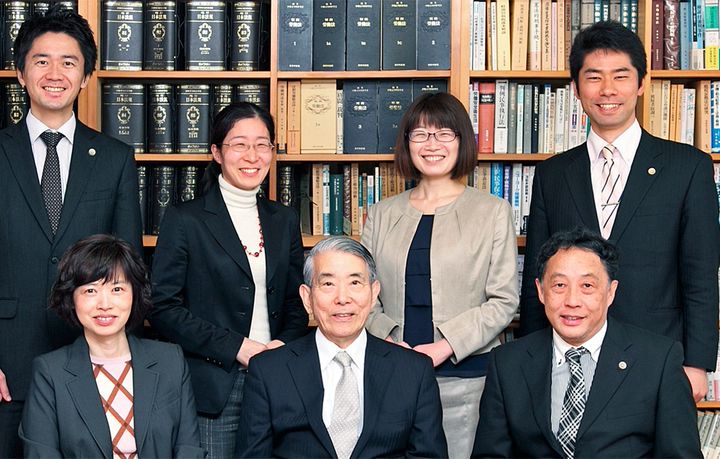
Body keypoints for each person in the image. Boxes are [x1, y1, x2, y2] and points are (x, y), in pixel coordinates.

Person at [518, 20, 720, 401]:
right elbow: (537, 278)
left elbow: (701, 275)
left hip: (659, 357)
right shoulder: (552, 174)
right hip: (569, 359)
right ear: (576, 88)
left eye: (621, 76)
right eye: (594, 77)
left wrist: (697, 364)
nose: (607, 89)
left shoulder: (688, 168)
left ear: (641, 83)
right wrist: (529, 361)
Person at [0, 6, 142, 456]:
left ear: (85, 77)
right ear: (21, 73)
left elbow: (128, 266)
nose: (55, 73)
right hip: (7, 364)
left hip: (92, 360)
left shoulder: (115, 158)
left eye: (69, 62)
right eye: (41, 61)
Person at [360, 92, 519, 458]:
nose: (432, 145)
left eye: (444, 133)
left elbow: (504, 300)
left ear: (462, 141)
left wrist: (445, 346)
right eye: (420, 134)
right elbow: (362, 295)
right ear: (407, 144)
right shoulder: (381, 214)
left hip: (467, 377)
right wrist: (391, 341)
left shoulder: (492, 212)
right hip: (390, 371)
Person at [148, 101, 309, 458]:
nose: (252, 156)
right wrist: (239, 347)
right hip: (216, 384)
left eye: (262, 145)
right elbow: (162, 308)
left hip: (280, 376)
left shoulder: (284, 219)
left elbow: (296, 301)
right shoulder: (185, 219)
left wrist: (282, 345)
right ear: (217, 153)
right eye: (239, 144)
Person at [473, 228, 701, 458]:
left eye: (587, 286)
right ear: (541, 291)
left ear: (610, 292)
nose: (572, 301)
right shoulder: (507, 363)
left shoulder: (658, 361)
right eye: (559, 285)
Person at [235, 236, 448, 458]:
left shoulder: (414, 371)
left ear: (374, 293)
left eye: (355, 283)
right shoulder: (268, 371)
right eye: (328, 284)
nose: (343, 298)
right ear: (307, 298)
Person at [18, 234, 203, 458]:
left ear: (134, 294)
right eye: (90, 291)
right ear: (71, 298)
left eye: (117, 289)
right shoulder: (50, 372)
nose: (104, 304)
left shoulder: (170, 361)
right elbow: (41, 453)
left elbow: (189, 448)